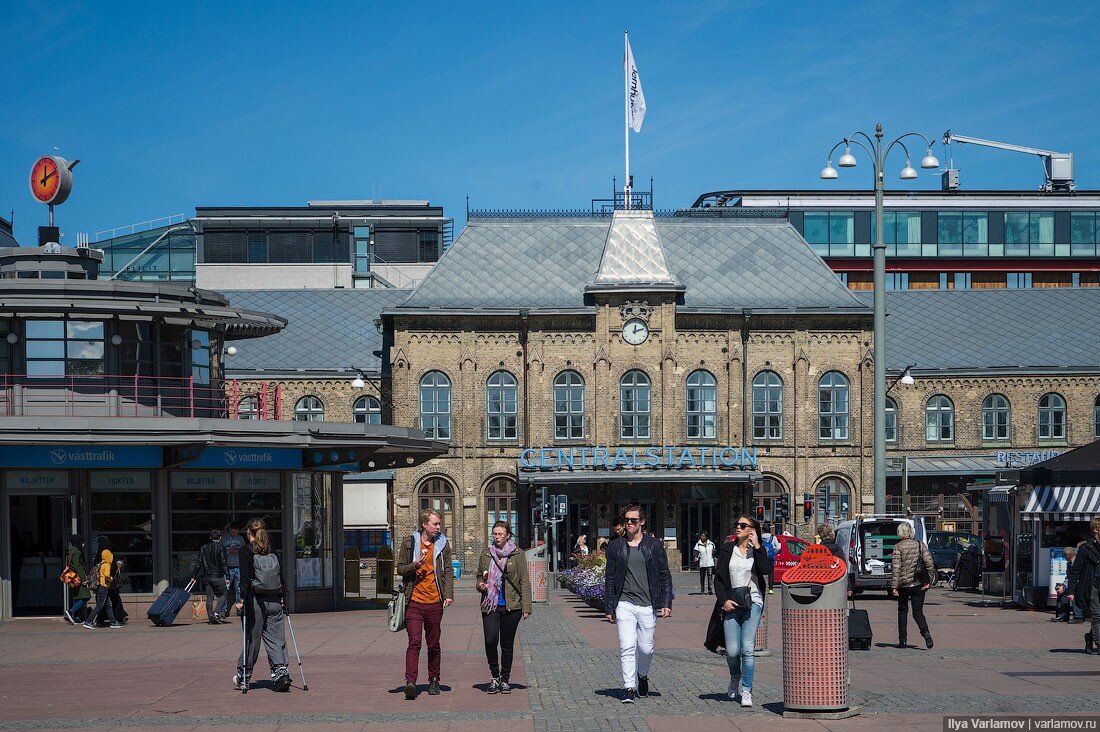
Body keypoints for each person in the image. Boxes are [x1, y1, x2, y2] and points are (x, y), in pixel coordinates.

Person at [603, 505, 673, 704]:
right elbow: (609, 579)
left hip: (647, 604)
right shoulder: (616, 546)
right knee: (627, 645)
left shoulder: (654, 545)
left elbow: (664, 575)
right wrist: (609, 607)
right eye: (626, 520)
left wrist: (666, 602)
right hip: (624, 603)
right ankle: (629, 687)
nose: (629, 524)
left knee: (646, 648)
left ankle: (642, 675)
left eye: (633, 520)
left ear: (642, 522)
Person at [713, 515, 772, 708]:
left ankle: (747, 690)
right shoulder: (727, 549)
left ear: (752, 530)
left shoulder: (757, 551)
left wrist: (757, 546)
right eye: (737, 524)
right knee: (732, 651)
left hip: (753, 602)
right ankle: (734, 677)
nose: (738, 527)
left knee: (747, 648)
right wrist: (724, 601)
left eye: (743, 525)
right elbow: (719, 579)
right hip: (731, 603)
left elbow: (765, 569)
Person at [397, 508, 454, 700]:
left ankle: (434, 679)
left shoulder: (443, 544)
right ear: (424, 524)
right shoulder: (409, 543)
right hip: (414, 601)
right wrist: (415, 565)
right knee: (414, 641)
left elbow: (447, 571)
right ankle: (410, 682)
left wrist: (448, 594)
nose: (439, 527)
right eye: (435, 523)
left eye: (439, 523)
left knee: (433, 644)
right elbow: (400, 569)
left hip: (434, 601)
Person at [233, 517, 292, 691]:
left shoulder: (245, 551)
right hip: (274, 600)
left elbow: (244, 580)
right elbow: (280, 578)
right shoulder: (271, 550)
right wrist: (283, 598)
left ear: (248, 532)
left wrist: (241, 601)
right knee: (276, 638)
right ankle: (281, 673)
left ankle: (244, 675)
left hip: (255, 601)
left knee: (252, 639)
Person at [476, 521, 532, 694]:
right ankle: (494, 676)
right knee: (490, 641)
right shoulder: (486, 554)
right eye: (495, 534)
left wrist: (526, 606)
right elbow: (479, 577)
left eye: (500, 534)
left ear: (508, 535)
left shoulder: (517, 554)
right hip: (490, 604)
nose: (497, 537)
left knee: (507, 644)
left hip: (512, 605)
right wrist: (481, 585)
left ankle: (505, 679)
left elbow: (524, 580)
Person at [890, 522, 936, 649]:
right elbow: (929, 563)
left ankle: (903, 641)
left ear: (900, 533)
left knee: (902, 612)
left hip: (903, 585)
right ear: (911, 532)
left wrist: (894, 587)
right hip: (918, 584)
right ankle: (926, 633)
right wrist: (929, 581)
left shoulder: (897, 547)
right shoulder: (920, 545)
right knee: (918, 612)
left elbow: (896, 568)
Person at [1066, 517, 1100, 655]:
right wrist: (1071, 591)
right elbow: (1076, 571)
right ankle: (1099, 643)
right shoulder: (1085, 548)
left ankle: (1090, 637)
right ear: (1096, 530)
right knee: (1097, 615)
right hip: (1091, 584)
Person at [191, 528, 231, 624]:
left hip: (207, 576)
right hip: (218, 576)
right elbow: (224, 563)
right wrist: (228, 576)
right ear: (220, 538)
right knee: (224, 594)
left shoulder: (204, 548)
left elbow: (199, 563)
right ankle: (216, 613)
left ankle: (210, 617)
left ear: (210, 537)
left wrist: (194, 575)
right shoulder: (221, 548)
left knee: (209, 597)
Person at [83, 536, 122, 629]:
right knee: (100, 605)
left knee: (108, 605)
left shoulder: (101, 563)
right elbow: (107, 575)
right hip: (104, 587)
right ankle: (88, 621)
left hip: (102, 587)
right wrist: (111, 578)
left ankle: (113, 622)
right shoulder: (107, 565)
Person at [63, 535, 92, 625]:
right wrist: (84, 579)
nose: (83, 544)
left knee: (77, 596)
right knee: (86, 596)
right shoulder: (77, 552)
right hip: (78, 578)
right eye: (82, 542)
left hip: (72, 577)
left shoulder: (71, 551)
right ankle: (71, 611)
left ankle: (76, 617)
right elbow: (78, 567)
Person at [220, 523, 246, 617]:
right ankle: (223, 610)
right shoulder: (224, 538)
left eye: (236, 530)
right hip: (228, 567)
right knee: (225, 588)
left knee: (239, 588)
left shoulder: (240, 538)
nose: (234, 532)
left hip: (239, 566)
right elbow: (220, 551)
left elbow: (244, 549)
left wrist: (239, 551)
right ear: (230, 529)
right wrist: (229, 552)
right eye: (233, 530)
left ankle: (239, 608)